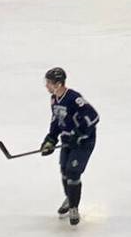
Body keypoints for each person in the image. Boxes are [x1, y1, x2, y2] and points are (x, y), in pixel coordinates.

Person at [40, 67, 99, 225]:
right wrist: (50, 140)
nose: (46, 86)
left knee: (73, 172)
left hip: (83, 143)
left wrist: (79, 135)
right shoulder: (54, 99)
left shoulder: (74, 99)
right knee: (64, 171)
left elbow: (93, 117)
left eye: (49, 83)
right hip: (68, 142)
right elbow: (56, 121)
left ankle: (74, 207)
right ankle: (70, 197)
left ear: (58, 84)